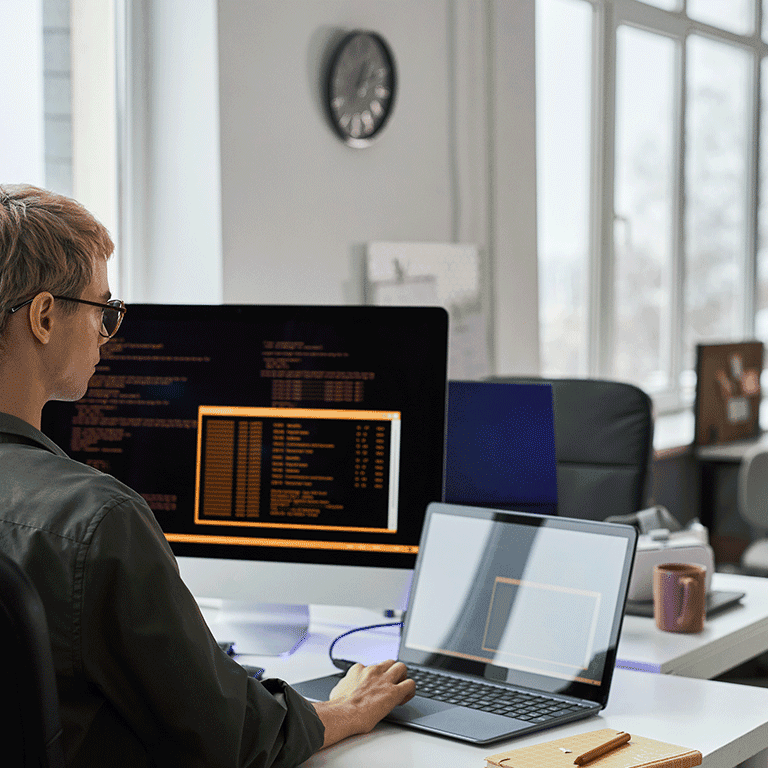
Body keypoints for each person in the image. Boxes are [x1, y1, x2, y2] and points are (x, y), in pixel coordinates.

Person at [0, 184, 415, 767]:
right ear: (44, 316)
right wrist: (344, 709)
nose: (105, 333)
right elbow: (231, 739)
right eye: (104, 310)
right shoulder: (96, 520)